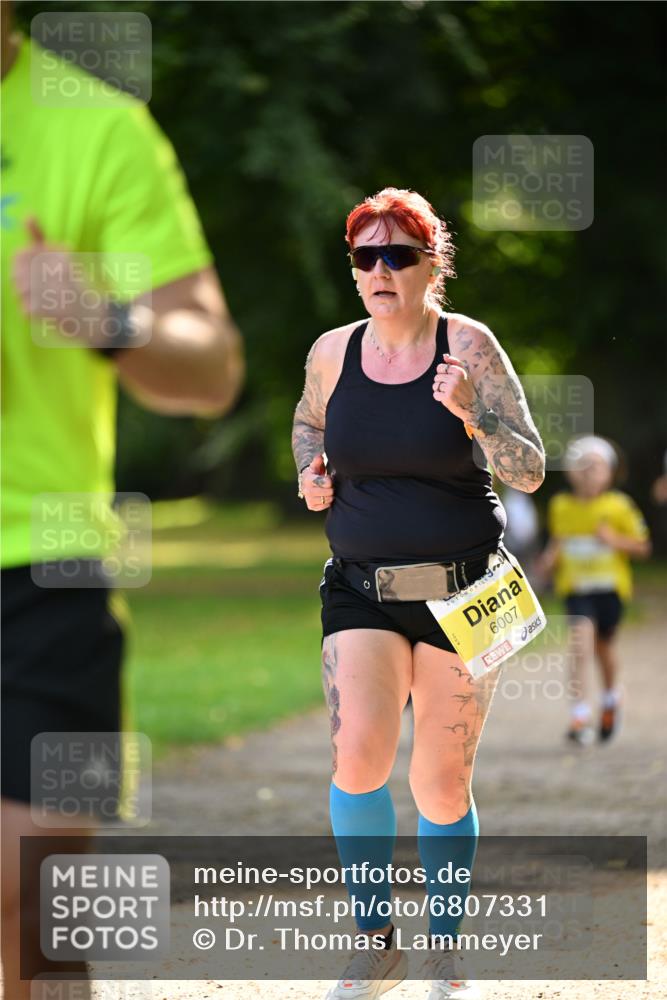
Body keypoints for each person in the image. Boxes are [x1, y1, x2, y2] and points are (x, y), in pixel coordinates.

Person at [1, 12, 244, 999]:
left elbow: (213, 364)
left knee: (41, 907)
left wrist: (104, 312)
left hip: (44, 565)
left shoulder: (98, 126)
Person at [292, 188, 545, 1000]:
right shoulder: (332, 352)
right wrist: (311, 471)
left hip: (464, 594)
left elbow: (529, 468)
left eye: (397, 254)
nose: (379, 270)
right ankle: (376, 945)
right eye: (365, 256)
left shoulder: (468, 346)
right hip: (360, 589)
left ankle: (443, 949)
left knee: (439, 781)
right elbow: (306, 421)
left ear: (432, 263)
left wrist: (473, 416)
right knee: (357, 753)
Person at [539, 436, 650, 746]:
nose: (588, 472)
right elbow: (558, 542)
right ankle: (579, 715)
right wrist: (549, 560)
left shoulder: (619, 506)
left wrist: (614, 540)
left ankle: (612, 698)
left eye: (596, 466)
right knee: (580, 644)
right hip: (576, 590)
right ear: (570, 472)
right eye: (581, 466)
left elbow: (643, 547)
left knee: (604, 649)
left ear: (610, 472)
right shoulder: (561, 505)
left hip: (610, 590)